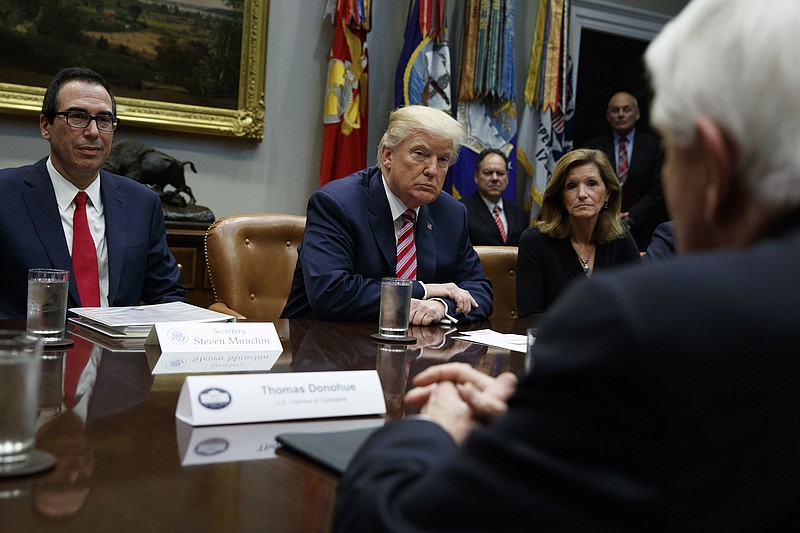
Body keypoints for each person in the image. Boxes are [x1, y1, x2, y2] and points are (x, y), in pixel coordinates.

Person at [333, 0, 800, 530]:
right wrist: (541, 415)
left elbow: (386, 519)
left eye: (672, 153)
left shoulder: (642, 319)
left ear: (714, 164)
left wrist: (434, 424)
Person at [0, 67, 185, 319]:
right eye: (77, 116)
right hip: (29, 353)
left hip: (117, 355)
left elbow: (167, 296)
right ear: (46, 126)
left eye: (104, 120)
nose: (93, 132)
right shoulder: (5, 195)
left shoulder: (142, 203)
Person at [281, 105, 492, 324]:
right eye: (420, 154)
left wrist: (441, 306)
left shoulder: (452, 214)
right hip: (328, 344)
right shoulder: (336, 204)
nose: (432, 170)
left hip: (420, 350)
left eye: (443, 160)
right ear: (388, 155)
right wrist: (423, 290)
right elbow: (331, 292)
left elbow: (479, 291)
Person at [516, 148, 640, 316]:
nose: (582, 194)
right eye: (571, 186)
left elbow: (640, 304)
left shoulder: (620, 236)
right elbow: (529, 316)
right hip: (556, 341)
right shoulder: (534, 241)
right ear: (561, 197)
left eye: (592, 184)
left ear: (608, 193)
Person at [584, 91, 667, 250]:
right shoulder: (592, 148)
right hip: (601, 227)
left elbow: (659, 189)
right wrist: (609, 213)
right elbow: (588, 184)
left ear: (637, 114)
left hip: (645, 229)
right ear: (608, 116)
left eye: (626, 109)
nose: (621, 114)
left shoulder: (655, 147)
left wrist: (632, 217)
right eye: (615, 110)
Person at [460, 148, 528, 246]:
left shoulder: (519, 213)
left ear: (507, 177)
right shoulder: (462, 210)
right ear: (476, 176)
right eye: (488, 172)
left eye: (500, 173)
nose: (495, 178)